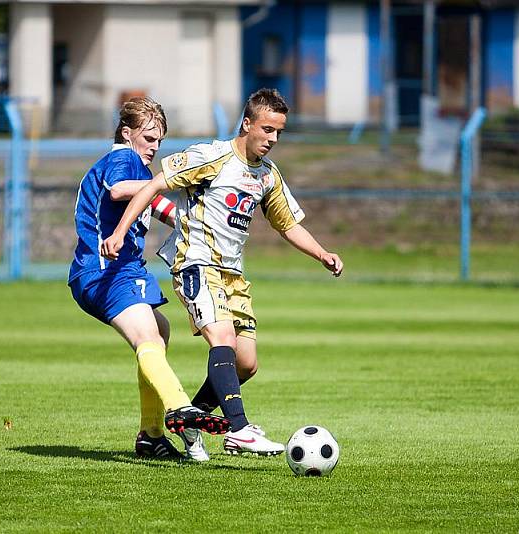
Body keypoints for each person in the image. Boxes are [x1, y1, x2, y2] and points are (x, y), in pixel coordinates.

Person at [101, 88, 344, 461]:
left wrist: (321, 253)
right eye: (267, 129)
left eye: (279, 132)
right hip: (196, 262)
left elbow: (287, 224)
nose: (273, 139)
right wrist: (118, 233)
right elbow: (154, 184)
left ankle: (193, 421)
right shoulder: (210, 156)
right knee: (223, 337)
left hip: (233, 275)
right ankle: (239, 430)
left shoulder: (266, 177)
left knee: (246, 363)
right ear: (247, 123)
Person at [69, 96, 230, 460]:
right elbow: (120, 190)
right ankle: (180, 407)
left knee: (159, 331)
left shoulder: (138, 171)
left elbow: (153, 203)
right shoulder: (122, 159)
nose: (154, 147)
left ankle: (151, 436)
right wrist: (166, 181)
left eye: (159, 141)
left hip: (115, 270)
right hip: (105, 271)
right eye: (148, 138)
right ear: (127, 134)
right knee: (148, 337)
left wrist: (191, 222)